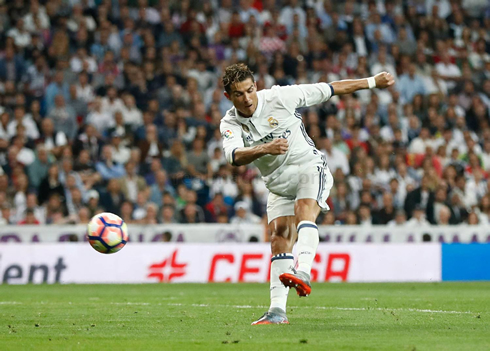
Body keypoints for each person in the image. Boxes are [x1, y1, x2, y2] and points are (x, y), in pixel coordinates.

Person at [220, 63, 394, 325]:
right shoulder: (230, 122)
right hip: (277, 184)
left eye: (250, 90)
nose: (246, 99)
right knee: (279, 238)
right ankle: (277, 312)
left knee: (305, 211)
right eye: (238, 94)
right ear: (228, 97)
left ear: (256, 86)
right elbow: (233, 157)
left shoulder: (280, 97)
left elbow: (331, 88)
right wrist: (266, 148)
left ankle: (303, 271)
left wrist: (371, 82)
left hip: (308, 167)